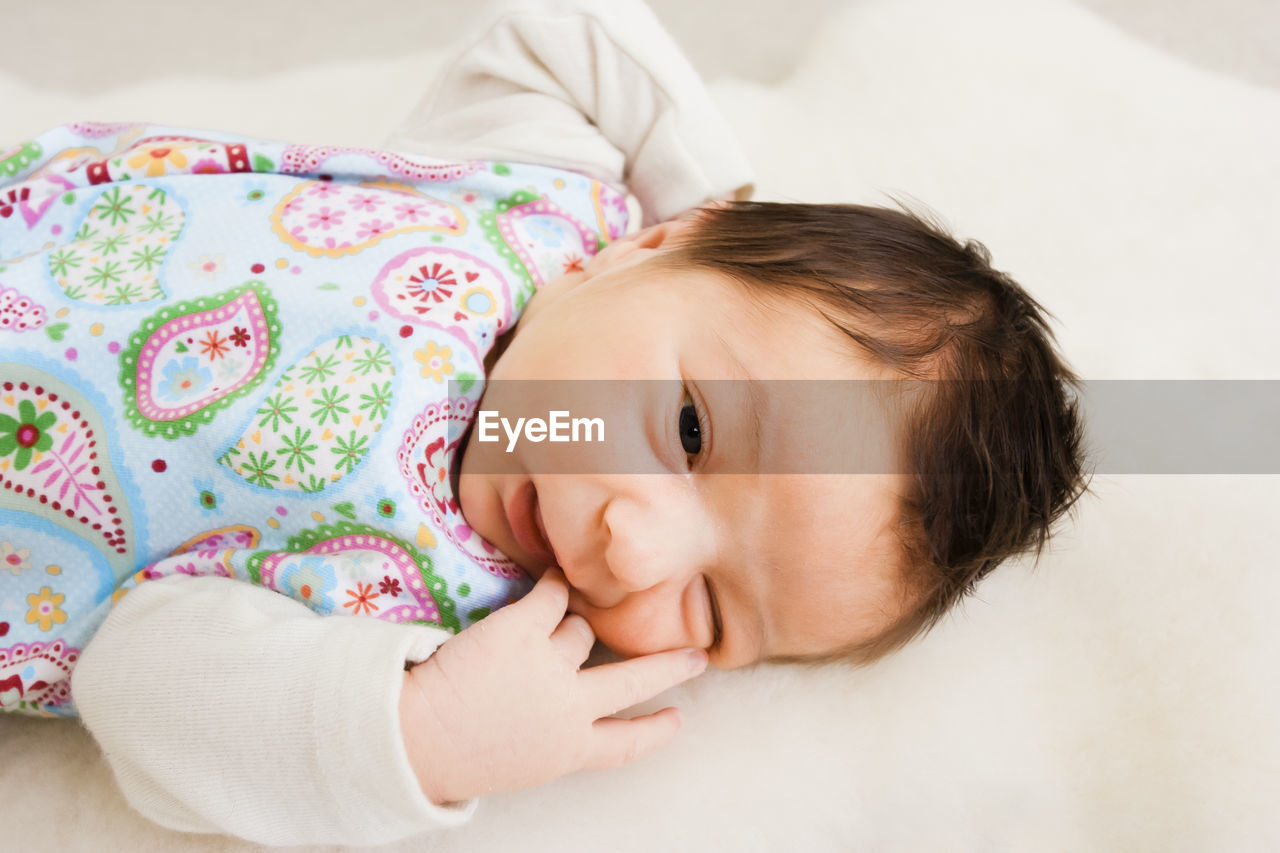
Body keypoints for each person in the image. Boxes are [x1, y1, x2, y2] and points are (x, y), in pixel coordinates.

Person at [0, 0, 1087, 845]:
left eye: (708, 610)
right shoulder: (546, 204)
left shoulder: (432, 616)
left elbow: (141, 687)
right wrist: (713, 220)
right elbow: (567, 31)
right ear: (657, 248)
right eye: (693, 434)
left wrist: (412, 738)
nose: (634, 545)